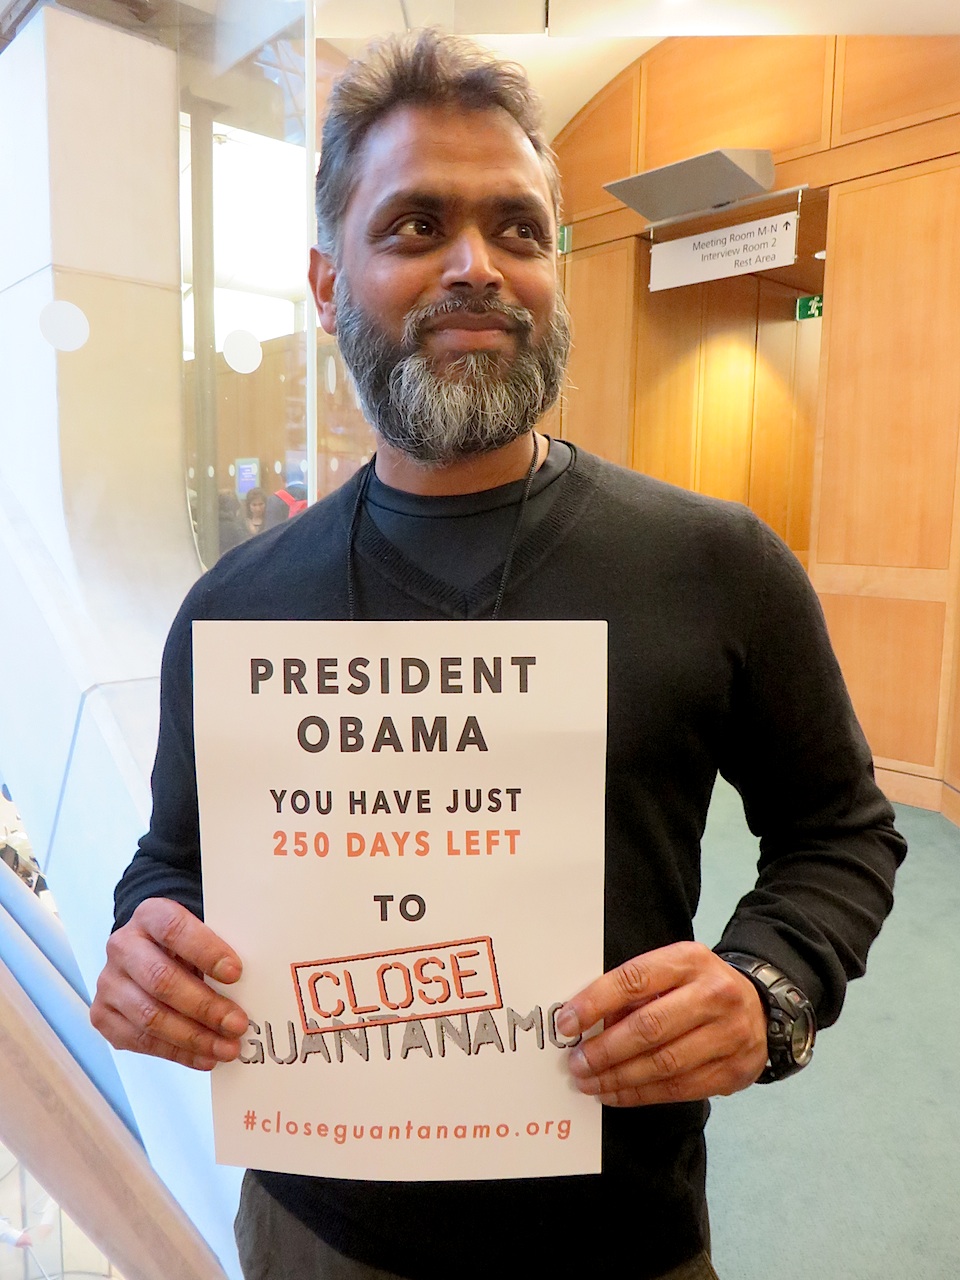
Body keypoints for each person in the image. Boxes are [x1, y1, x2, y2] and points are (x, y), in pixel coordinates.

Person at [90, 30, 906, 1280]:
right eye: (416, 226)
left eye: (518, 230)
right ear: (324, 283)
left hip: (623, 1242)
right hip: (317, 1234)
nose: (477, 266)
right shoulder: (232, 612)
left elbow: (840, 827)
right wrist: (149, 934)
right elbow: (174, 856)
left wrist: (769, 985)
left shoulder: (716, 564)